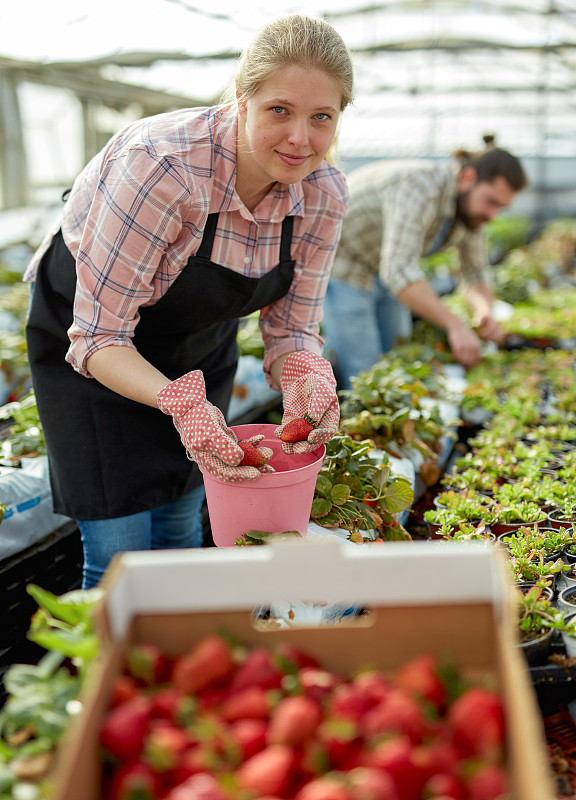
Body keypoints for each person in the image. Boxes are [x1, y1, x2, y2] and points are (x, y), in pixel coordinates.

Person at [24, 14, 354, 588]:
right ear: (242, 97)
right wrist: (179, 404)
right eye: (280, 109)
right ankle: (107, 671)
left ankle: (173, 674)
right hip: (95, 345)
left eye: (321, 117)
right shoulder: (164, 167)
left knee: (181, 534)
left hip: (197, 348)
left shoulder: (322, 193)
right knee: (120, 560)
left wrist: (303, 369)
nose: (301, 138)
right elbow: (99, 336)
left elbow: (293, 329)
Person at [321, 136, 528, 389]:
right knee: (364, 371)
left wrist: (484, 310)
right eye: (491, 202)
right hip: (345, 262)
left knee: (395, 351)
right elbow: (398, 269)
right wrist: (455, 325)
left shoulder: (471, 211)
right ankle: (330, 418)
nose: (492, 215)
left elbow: (474, 272)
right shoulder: (419, 187)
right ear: (468, 178)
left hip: (383, 266)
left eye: (501, 208)